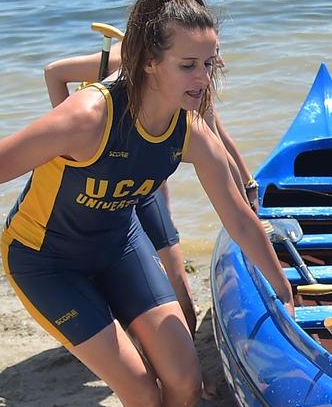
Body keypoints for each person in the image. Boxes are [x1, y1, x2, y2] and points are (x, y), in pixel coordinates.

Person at [0, 0, 293, 407]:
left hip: (115, 243)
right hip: (46, 262)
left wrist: (284, 293)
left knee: (183, 380)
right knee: (140, 389)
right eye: (189, 66)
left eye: (211, 65)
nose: (203, 80)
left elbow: (238, 219)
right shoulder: (87, 117)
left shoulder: (189, 130)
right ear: (149, 62)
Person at [42, 34, 258, 344]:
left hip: (147, 184)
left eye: (213, 57)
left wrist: (246, 186)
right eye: (203, 58)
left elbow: (216, 137)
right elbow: (54, 72)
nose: (214, 65)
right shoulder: (125, 61)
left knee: (176, 272)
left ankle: (189, 352)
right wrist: (73, 149)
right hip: (106, 184)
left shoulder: (195, 77)